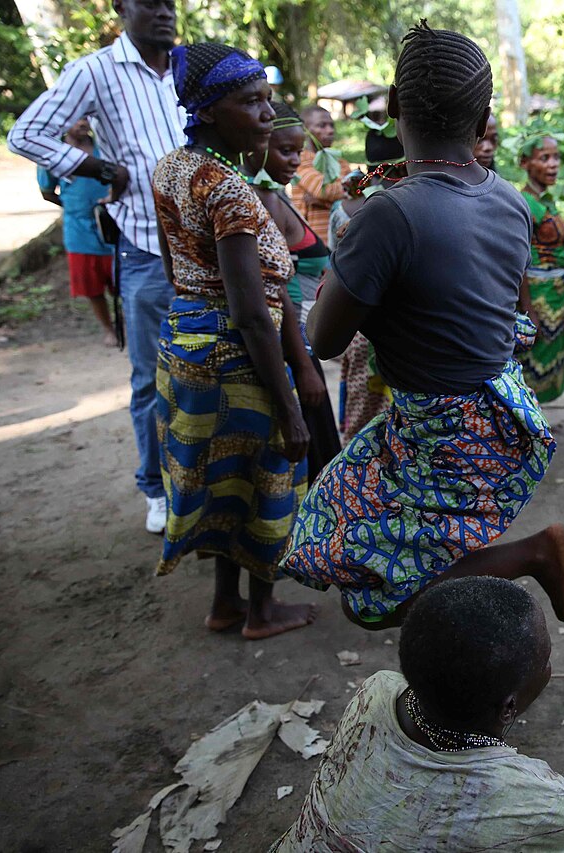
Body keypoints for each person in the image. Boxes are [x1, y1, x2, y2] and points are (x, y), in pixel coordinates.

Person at [280, 22, 564, 630]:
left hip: (444, 426)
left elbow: (325, 340)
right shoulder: (510, 198)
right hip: (497, 411)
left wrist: (354, 237)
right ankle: (474, 619)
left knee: (372, 596)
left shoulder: (385, 215)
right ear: (485, 117)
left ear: (392, 110)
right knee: (363, 537)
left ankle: (532, 556)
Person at [152, 43, 320, 639]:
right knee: (268, 475)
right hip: (237, 356)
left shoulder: (173, 166)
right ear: (209, 111)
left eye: (268, 99)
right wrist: (289, 407)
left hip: (186, 341)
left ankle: (225, 603)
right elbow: (252, 314)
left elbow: (180, 267)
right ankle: (262, 610)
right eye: (251, 102)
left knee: (225, 479)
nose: (267, 114)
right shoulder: (227, 190)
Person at [271, 577, 564, 852]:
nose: (549, 666)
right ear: (508, 708)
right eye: (546, 660)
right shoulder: (544, 806)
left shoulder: (376, 691)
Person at [7, 0, 185, 534]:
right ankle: (156, 490)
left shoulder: (187, 66)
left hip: (203, 248)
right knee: (150, 379)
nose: (163, 12)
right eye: (148, 3)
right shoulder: (93, 71)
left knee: (211, 369)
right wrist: (94, 165)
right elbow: (25, 133)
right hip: (144, 246)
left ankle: (200, 482)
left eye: (169, 3)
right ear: (121, 8)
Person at [242, 101, 344, 483]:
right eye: (285, 151)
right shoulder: (261, 201)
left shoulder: (276, 194)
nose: (295, 160)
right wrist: (302, 366)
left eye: (298, 150)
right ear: (255, 147)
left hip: (299, 343)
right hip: (292, 345)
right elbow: (275, 291)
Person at [328, 126, 404, 442]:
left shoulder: (349, 208)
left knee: (365, 413)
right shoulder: (398, 206)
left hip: (361, 329)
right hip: (391, 331)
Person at [36, 117, 117, 346]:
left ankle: (126, 322)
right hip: (79, 228)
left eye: (86, 118)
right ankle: (108, 329)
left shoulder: (105, 146)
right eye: (76, 119)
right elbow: (47, 191)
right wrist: (72, 204)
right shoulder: (54, 153)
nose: (82, 123)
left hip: (113, 222)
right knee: (92, 285)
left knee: (121, 278)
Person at [518, 134, 564, 404]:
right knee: (530, 364)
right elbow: (520, 261)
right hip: (538, 298)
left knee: (546, 358)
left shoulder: (546, 201)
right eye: (545, 158)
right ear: (525, 163)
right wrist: (529, 309)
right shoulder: (525, 205)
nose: (553, 165)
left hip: (555, 294)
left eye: (556, 157)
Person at [291, 105, 352, 240]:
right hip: (316, 241)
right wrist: (339, 195)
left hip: (342, 240)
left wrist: (320, 201)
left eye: (331, 125)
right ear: (305, 130)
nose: (330, 130)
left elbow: (358, 191)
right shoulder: (301, 160)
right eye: (322, 126)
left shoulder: (340, 161)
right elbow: (324, 189)